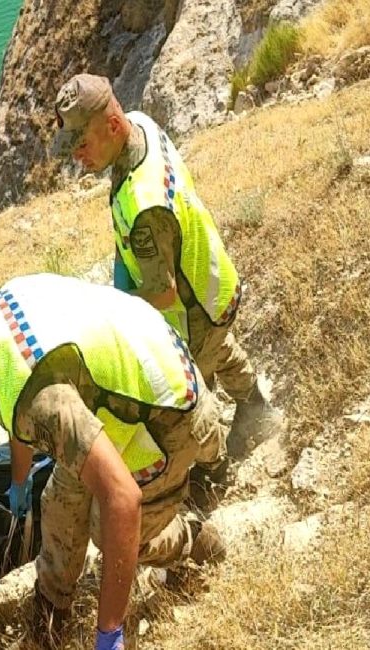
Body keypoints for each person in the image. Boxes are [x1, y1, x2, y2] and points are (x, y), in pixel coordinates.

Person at [0, 274, 227, 649]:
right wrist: (20, 481)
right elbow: (14, 397)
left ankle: (192, 538)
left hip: (164, 410)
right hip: (125, 371)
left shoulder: (39, 400)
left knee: (117, 533)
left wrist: (109, 631)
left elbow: (123, 498)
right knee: (59, 504)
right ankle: (51, 613)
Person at [50, 73, 281, 459]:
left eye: (83, 143)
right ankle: (256, 405)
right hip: (210, 277)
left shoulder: (145, 208)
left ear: (112, 124)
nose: (77, 156)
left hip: (192, 312)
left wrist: (112, 304)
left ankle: (215, 462)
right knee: (222, 348)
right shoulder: (140, 123)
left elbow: (163, 291)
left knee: (193, 397)